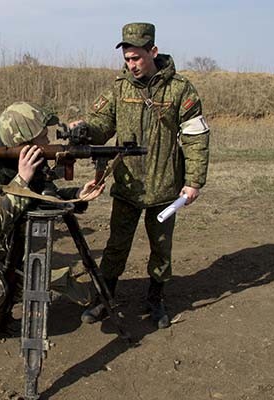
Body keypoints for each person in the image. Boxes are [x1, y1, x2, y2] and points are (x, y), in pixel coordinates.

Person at [0, 102, 106, 355]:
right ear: (24, 142)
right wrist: (22, 178)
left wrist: (77, 195)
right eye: (42, 136)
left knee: (19, 281)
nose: (49, 139)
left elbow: (40, 195)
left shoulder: (30, 162)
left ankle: (0, 321)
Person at [75, 23, 210, 329]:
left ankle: (156, 299)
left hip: (165, 189)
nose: (131, 65)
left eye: (136, 58)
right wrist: (84, 130)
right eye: (127, 59)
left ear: (153, 52)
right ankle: (105, 297)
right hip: (127, 186)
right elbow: (101, 125)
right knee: (116, 246)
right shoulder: (119, 89)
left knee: (161, 249)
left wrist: (194, 181)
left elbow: (196, 137)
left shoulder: (180, 89)